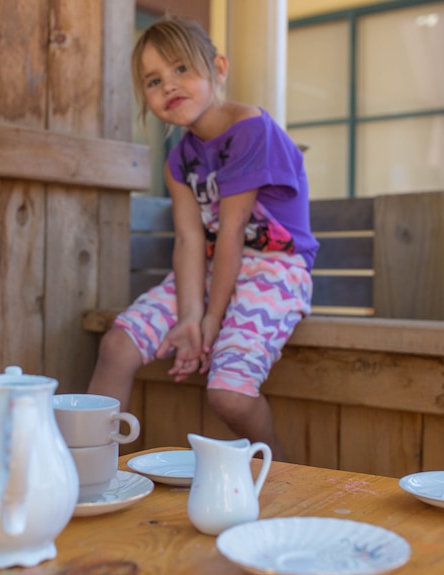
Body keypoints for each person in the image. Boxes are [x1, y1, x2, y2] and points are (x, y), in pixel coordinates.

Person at [87, 18, 318, 461]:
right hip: (212, 272)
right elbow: (190, 241)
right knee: (117, 345)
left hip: (275, 269)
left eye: (180, 70)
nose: (168, 86)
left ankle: (282, 473)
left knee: (228, 395)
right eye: (154, 81)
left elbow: (231, 229)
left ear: (218, 68)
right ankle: (92, 474)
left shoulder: (250, 129)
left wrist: (212, 321)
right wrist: (190, 317)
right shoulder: (179, 160)